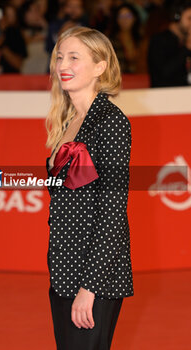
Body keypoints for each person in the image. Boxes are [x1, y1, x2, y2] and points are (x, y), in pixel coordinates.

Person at [45, 26, 134, 350]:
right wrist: (0, 178)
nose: (63, 65)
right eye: (59, 57)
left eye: (74, 57)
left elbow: (112, 210)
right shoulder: (68, 121)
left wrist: (89, 287)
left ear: (100, 66)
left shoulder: (111, 122)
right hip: (64, 267)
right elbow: (63, 191)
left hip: (93, 275)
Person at [148, 0, 191, 87]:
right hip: (164, 96)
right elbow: (162, 73)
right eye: (190, 18)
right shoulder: (159, 40)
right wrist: (187, 48)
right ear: (176, 17)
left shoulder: (185, 40)